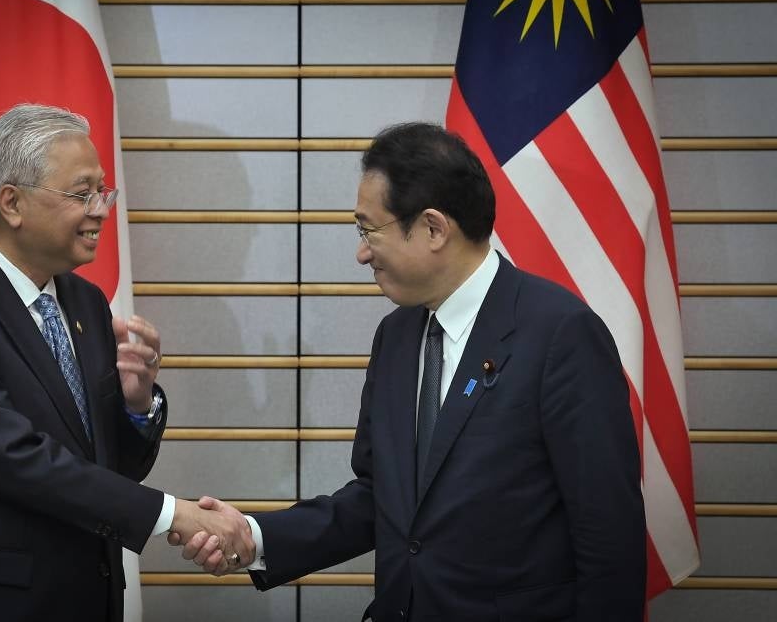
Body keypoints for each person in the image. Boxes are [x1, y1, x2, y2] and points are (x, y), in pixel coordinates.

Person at [175, 122, 646, 620]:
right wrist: (255, 536)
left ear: (433, 228)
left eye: (368, 230)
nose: (360, 252)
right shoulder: (397, 336)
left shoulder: (560, 335)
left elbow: (609, 542)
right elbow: (383, 498)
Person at [0, 104, 252, 622]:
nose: (101, 209)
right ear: (12, 202)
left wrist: (137, 404)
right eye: (82, 194)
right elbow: (12, 457)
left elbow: (108, 467)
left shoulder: (86, 303)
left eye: (103, 192)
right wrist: (173, 514)